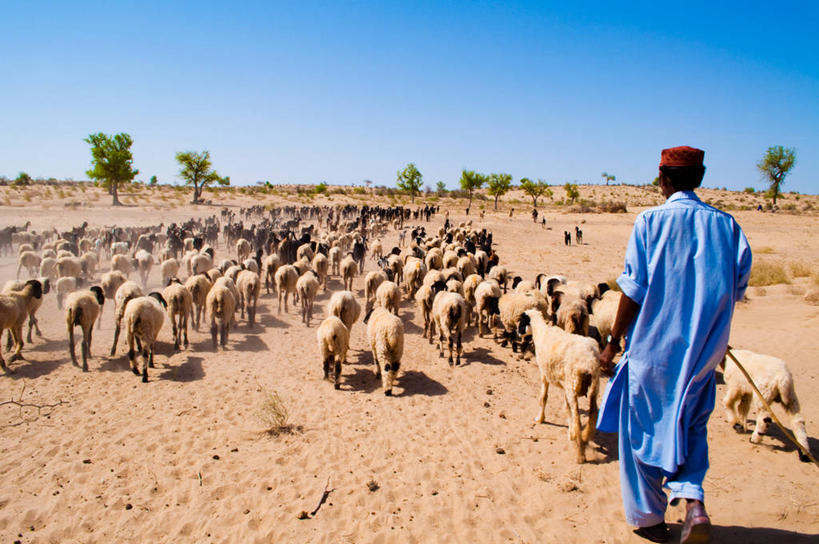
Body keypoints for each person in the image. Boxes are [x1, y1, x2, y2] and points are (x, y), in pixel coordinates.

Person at [597, 146, 752, 544]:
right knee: (691, 426)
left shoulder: (650, 221)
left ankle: (650, 519)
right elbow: (735, 290)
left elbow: (633, 289)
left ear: (662, 177)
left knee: (642, 429)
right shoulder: (728, 226)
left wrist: (612, 343)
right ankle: (692, 503)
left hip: (654, 349)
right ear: (700, 177)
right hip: (704, 352)